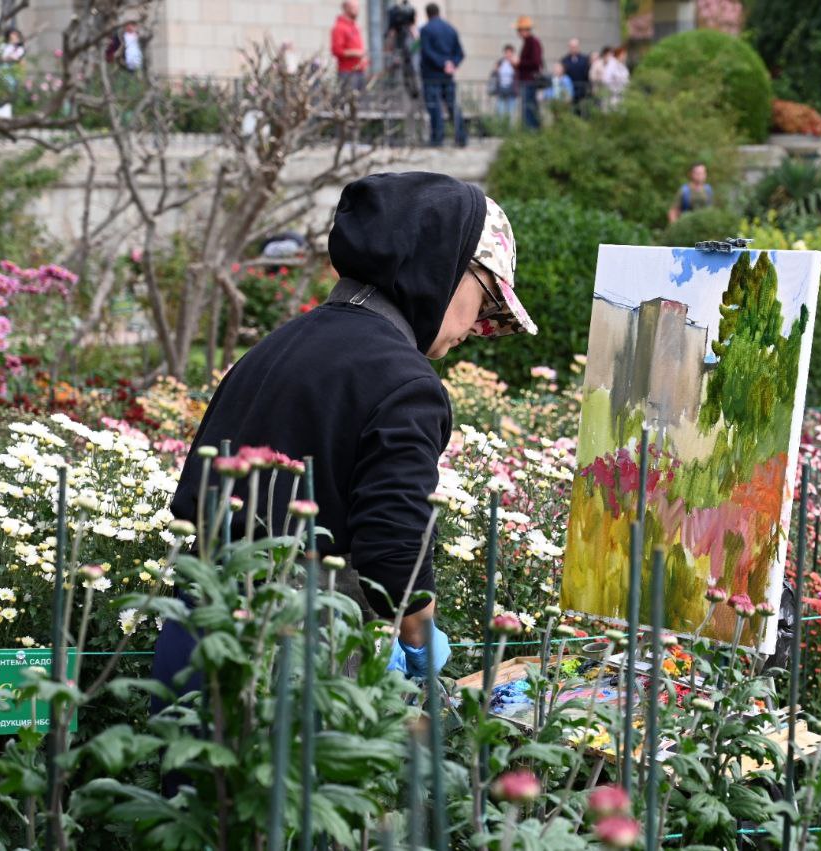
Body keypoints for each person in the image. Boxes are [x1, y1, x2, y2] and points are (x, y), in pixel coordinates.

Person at [152, 173, 537, 723]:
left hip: (192, 633)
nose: (478, 327)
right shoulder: (405, 381)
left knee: (190, 805)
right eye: (485, 299)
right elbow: (393, 554)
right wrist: (421, 636)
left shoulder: (276, 346)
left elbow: (200, 497)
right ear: (442, 267)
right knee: (300, 810)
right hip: (286, 658)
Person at [419, 3, 466, 147]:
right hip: (447, 75)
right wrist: (451, 64)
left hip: (432, 75)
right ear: (439, 12)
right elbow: (460, 53)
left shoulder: (426, 29)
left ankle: (437, 139)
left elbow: (427, 52)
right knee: (452, 106)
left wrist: (443, 64)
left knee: (434, 107)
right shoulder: (451, 29)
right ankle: (461, 138)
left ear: (427, 14)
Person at [331, 0, 367, 93]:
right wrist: (356, 53)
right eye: (353, 8)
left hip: (360, 71)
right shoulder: (339, 27)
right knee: (348, 102)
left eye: (357, 7)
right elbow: (336, 50)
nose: (357, 10)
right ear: (345, 8)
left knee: (360, 103)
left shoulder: (355, 26)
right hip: (347, 72)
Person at [515, 15, 543, 130]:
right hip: (526, 80)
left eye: (519, 30)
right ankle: (531, 129)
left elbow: (535, 62)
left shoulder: (533, 42)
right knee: (528, 107)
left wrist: (519, 63)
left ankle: (532, 131)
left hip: (530, 81)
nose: (518, 33)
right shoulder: (528, 42)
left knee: (529, 108)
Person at [490, 45, 518, 124]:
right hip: (501, 89)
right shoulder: (500, 62)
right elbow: (494, 74)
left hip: (512, 90)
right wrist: (496, 69)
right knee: (500, 111)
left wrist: (514, 63)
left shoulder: (515, 63)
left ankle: (511, 130)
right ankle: (501, 129)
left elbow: (518, 74)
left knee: (511, 112)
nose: (508, 54)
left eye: (510, 53)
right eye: (507, 53)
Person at [560, 38, 590, 107]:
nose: (573, 49)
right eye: (572, 47)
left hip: (582, 89)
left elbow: (587, 74)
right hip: (568, 89)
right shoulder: (564, 60)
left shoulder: (585, 59)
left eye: (575, 47)